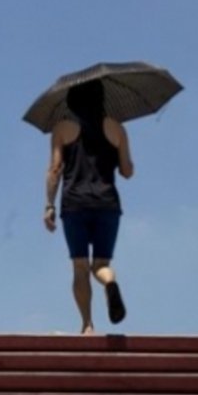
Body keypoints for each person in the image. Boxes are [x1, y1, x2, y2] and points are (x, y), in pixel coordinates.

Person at [43, 80, 134, 335]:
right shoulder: (117, 129)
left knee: (80, 266)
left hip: (74, 205)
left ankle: (87, 325)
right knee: (100, 264)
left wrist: (49, 205)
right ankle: (110, 282)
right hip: (107, 204)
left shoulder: (62, 128)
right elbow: (127, 172)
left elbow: (55, 169)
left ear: (72, 102)